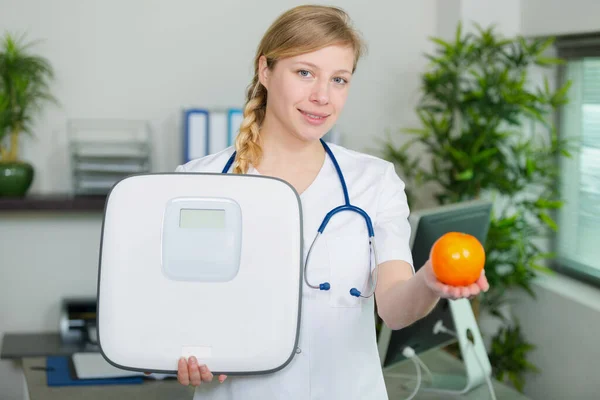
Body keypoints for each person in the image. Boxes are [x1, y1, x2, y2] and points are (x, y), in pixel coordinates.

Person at [173, 5, 489, 399]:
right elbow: (178, 307)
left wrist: (429, 279)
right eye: (305, 72)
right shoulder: (196, 183)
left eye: (339, 79)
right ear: (265, 70)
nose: (322, 96)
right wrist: (186, 349)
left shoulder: (374, 182)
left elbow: (393, 307)